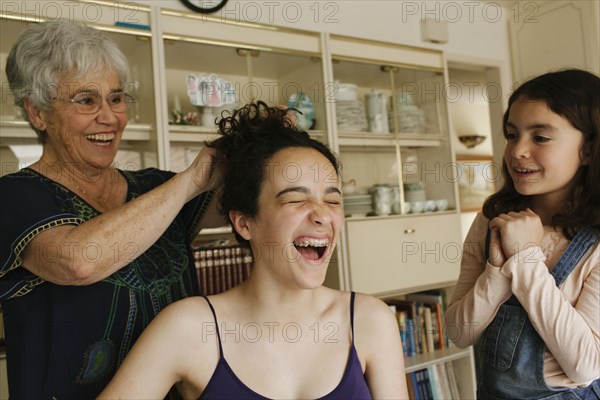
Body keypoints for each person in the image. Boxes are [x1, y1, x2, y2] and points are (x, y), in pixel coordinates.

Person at [99, 102, 409, 399]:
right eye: (295, 199)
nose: (321, 215)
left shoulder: (370, 321)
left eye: (332, 200)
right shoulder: (189, 328)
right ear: (245, 223)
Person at [0, 19, 219, 398]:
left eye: (116, 98)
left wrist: (264, 146)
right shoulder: (13, 195)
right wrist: (191, 179)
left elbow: (249, 214)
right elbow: (78, 261)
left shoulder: (155, 187)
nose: (110, 117)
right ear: (37, 113)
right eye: (86, 100)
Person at [445, 69, 600, 399]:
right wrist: (497, 271)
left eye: (540, 137)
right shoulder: (491, 219)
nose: (517, 151)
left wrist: (526, 258)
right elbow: (459, 332)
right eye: (512, 135)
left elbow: (586, 365)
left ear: (588, 149)